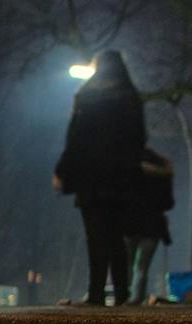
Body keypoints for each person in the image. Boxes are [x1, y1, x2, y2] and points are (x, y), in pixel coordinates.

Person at [53, 50, 146, 306]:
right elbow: (139, 139)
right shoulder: (130, 97)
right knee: (117, 236)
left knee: (95, 235)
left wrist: (62, 170)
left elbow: (75, 139)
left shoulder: (87, 97)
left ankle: (96, 292)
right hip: (120, 177)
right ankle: (122, 292)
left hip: (90, 176)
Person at [124, 149, 174, 304]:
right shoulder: (163, 177)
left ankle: (124, 294)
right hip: (153, 225)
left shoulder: (128, 173)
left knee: (127, 262)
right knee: (142, 266)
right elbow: (168, 203)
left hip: (130, 223)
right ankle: (136, 298)